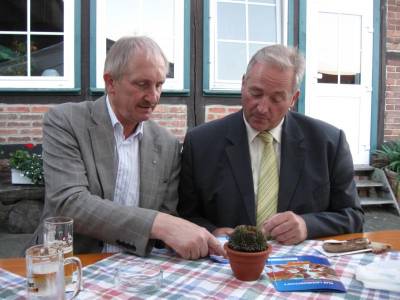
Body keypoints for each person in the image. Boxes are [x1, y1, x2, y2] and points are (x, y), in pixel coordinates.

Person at [31, 36, 224, 260]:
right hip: (66, 264)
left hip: (136, 270)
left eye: (159, 84)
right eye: (142, 84)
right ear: (110, 82)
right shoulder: (66, 121)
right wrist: (159, 224)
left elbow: (167, 217)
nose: (153, 97)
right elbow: (68, 203)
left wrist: (211, 233)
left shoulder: (168, 145)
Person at [178, 44, 364, 245]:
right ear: (243, 84)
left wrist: (307, 225)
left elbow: (353, 216)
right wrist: (213, 231)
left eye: (277, 98)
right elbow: (184, 216)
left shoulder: (328, 143)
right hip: (227, 263)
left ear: (293, 98)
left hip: (299, 268)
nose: (262, 108)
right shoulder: (200, 143)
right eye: (256, 93)